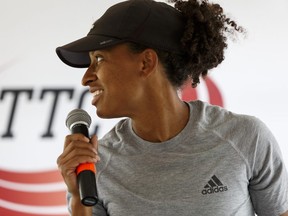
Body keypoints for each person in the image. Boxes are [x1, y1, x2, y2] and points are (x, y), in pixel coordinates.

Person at [56, 0, 288, 215]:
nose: (86, 78)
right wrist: (77, 198)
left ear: (146, 62)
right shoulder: (97, 164)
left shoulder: (245, 137)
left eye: (99, 59)